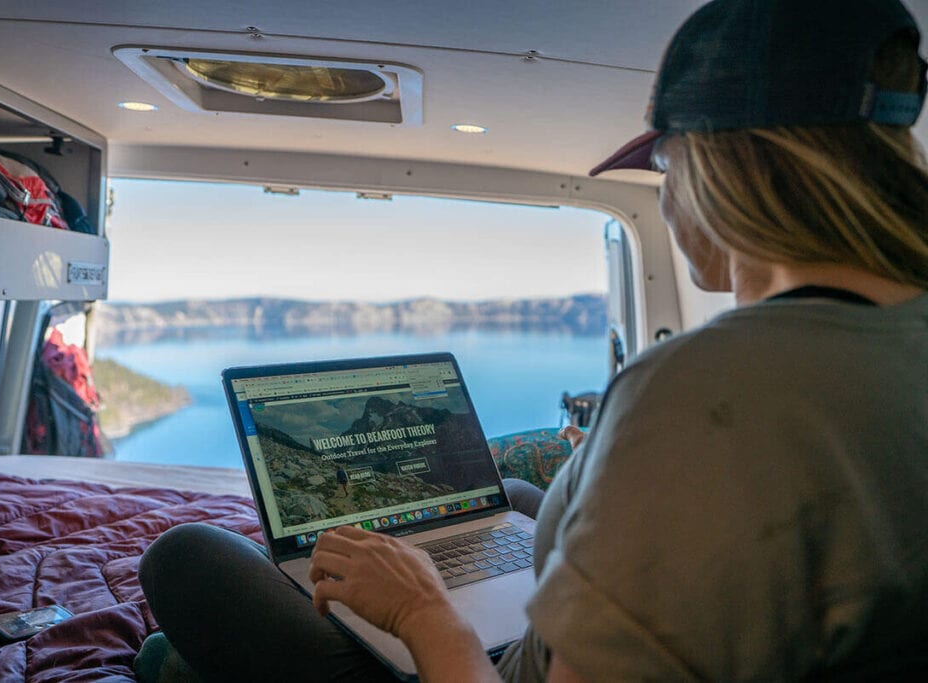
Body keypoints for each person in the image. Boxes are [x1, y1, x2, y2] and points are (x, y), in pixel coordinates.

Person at [138, 0, 928, 679]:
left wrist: (423, 611)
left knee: (186, 555)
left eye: (663, 164)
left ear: (714, 165)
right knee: (511, 499)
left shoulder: (701, 388)